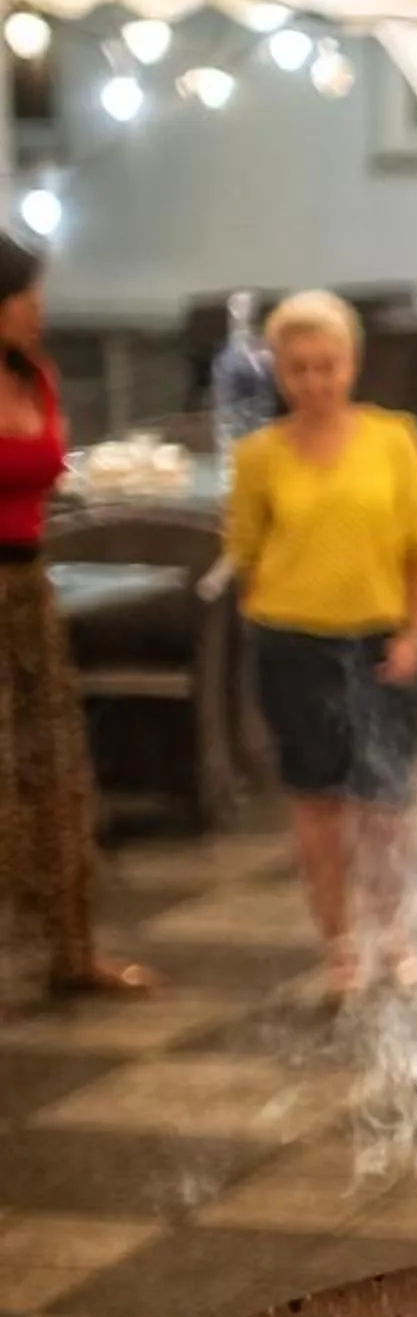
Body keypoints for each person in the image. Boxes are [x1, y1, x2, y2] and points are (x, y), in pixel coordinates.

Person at [225, 289, 417, 1002]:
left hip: (382, 643)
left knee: (386, 807)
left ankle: (397, 937)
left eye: (328, 365)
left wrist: (415, 634)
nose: (316, 382)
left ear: (352, 363)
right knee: (317, 807)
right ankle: (339, 949)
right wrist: (276, 615)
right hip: (295, 647)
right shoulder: (260, 456)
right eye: (300, 369)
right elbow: (246, 555)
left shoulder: (394, 439)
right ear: (280, 374)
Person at [0, 233, 154, 1012]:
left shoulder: (39, 376)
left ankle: (72, 949)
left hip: (28, 583)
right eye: (28, 294)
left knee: (54, 767)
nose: (40, 309)